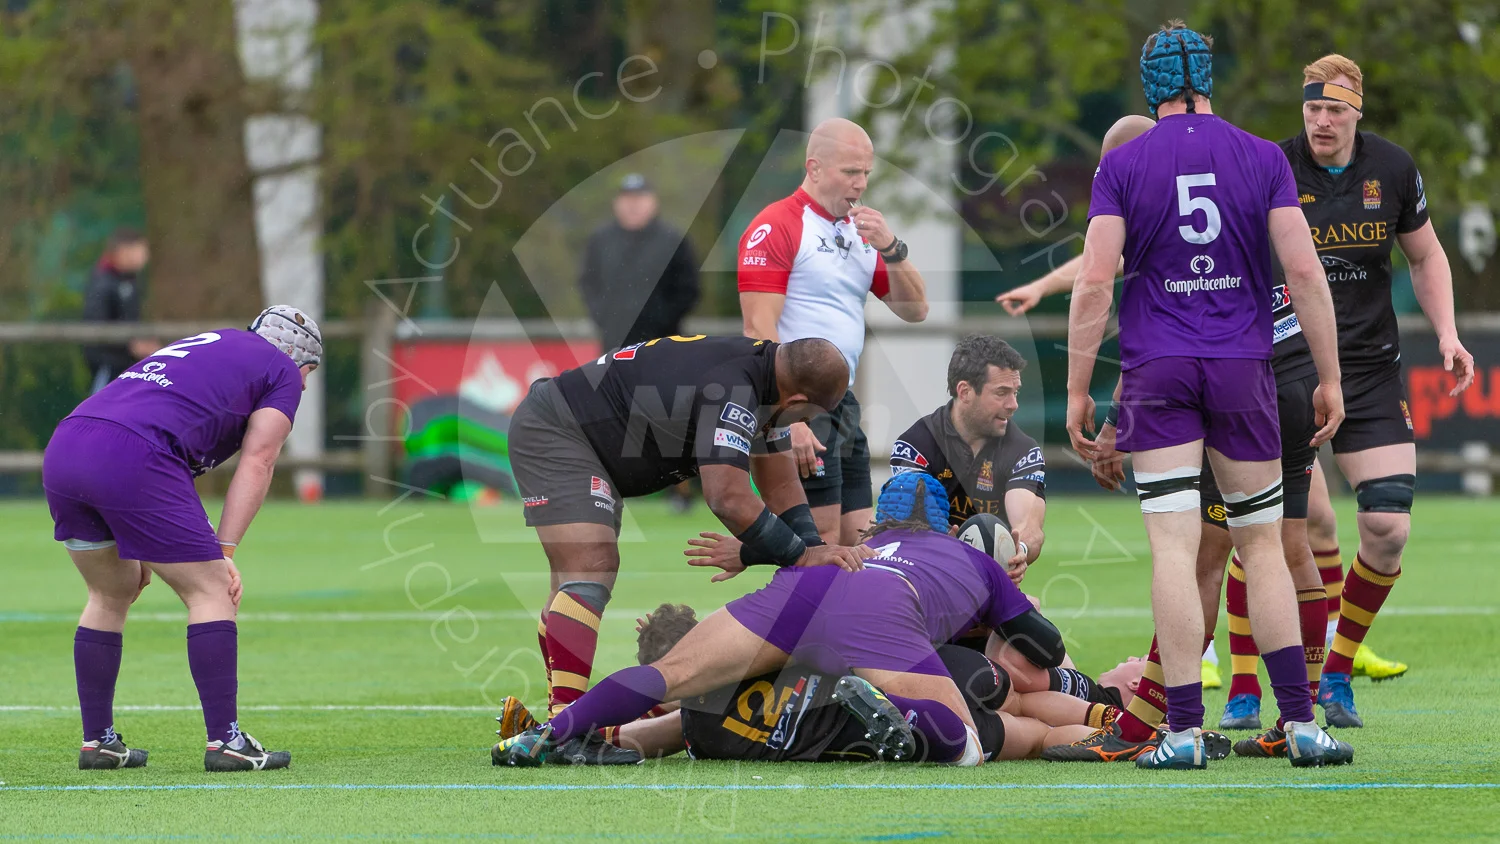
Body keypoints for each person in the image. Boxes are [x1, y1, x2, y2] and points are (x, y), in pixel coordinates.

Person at [1064, 21, 1350, 769]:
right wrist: (1330, 378)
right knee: (1262, 544)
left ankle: (1184, 733)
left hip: (1159, 368)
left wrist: (1076, 390)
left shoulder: (1124, 163)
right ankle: (1301, 724)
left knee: (1173, 543)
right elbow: (1308, 274)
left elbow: (1095, 281)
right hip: (1243, 365)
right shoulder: (1261, 156)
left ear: (1149, 84)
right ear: (1209, 79)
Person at [492, 472, 1066, 767]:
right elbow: (1042, 645)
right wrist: (1006, 590)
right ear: (945, 528)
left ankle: (547, 735)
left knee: (668, 674)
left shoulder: (855, 544)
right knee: (966, 745)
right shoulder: (969, 556)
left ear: (876, 523)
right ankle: (890, 706)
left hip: (811, 583)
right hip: (880, 615)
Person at [508, 334, 868, 764]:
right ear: (797, 398)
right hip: (558, 430)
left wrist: (813, 549)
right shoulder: (735, 389)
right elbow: (728, 497)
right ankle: (564, 730)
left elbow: (777, 478)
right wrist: (800, 555)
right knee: (590, 566)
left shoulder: (762, 376)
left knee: (576, 578)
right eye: (811, 414)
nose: (806, 424)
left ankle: (558, 723)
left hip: (575, 431)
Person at [42, 306, 321, 772]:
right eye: (308, 374)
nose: (304, 387)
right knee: (212, 590)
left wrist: (143, 539)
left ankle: (99, 742)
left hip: (68, 445)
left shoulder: (212, 341)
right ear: (299, 358)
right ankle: (226, 742)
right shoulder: (282, 370)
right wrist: (224, 550)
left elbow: (159, 425)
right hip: (132, 454)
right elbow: (259, 460)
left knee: (112, 591)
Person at [738, 117, 930, 545]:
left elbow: (915, 309)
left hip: (840, 401)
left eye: (866, 173)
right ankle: (785, 615)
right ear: (815, 167)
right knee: (814, 540)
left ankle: (847, 615)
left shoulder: (860, 232)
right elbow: (757, 327)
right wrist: (785, 418)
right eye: (850, 172)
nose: (860, 184)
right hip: (795, 402)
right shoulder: (778, 225)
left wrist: (892, 248)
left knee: (859, 539)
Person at [890, 335, 1045, 586]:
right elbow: (909, 528)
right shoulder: (916, 446)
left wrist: (1020, 552)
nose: (1013, 404)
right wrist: (952, 553)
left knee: (1031, 614)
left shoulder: (1023, 449)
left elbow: (1029, 523)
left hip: (994, 582)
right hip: (929, 578)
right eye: (1002, 393)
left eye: (1015, 392)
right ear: (965, 392)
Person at [577, 174, 701, 353]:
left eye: (640, 198)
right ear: (616, 203)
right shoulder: (601, 240)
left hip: (662, 343)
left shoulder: (672, 240)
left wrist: (661, 318)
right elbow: (588, 283)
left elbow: (688, 289)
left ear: (653, 202)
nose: (633, 205)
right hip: (614, 344)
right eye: (627, 199)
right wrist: (604, 316)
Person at [82, 228, 157, 394]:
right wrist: (131, 345)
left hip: (126, 364)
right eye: (141, 251)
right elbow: (96, 324)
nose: (145, 257)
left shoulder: (130, 280)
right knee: (99, 410)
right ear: (124, 251)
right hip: (107, 363)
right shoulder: (102, 282)